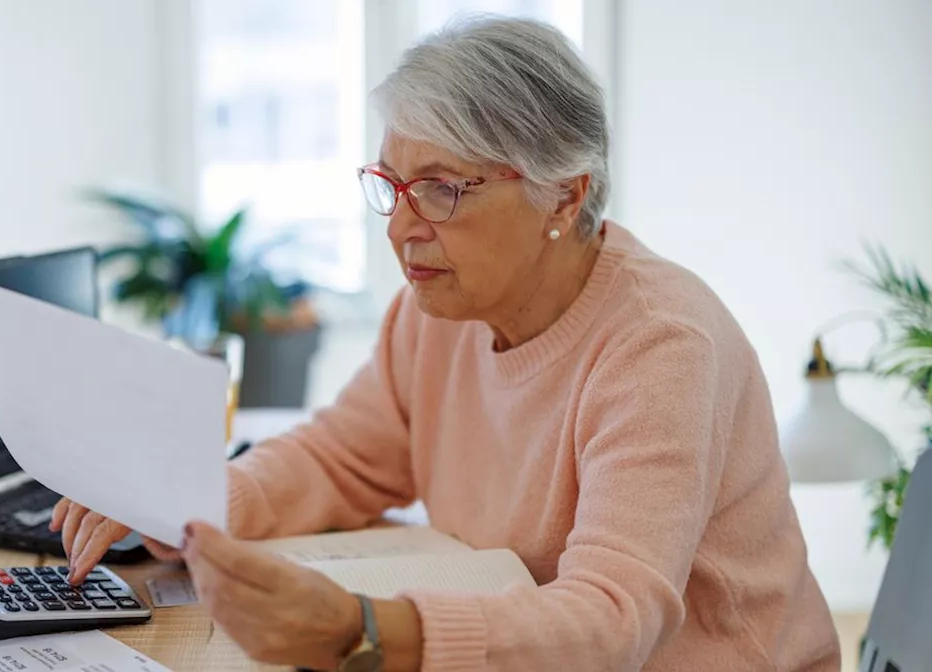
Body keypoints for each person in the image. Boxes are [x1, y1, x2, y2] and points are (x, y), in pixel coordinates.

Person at [51, 15, 841, 671]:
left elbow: (611, 620)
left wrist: (360, 627)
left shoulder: (660, 346)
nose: (400, 226)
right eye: (391, 186)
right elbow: (339, 458)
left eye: (440, 188)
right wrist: (178, 500)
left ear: (562, 195)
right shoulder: (434, 317)